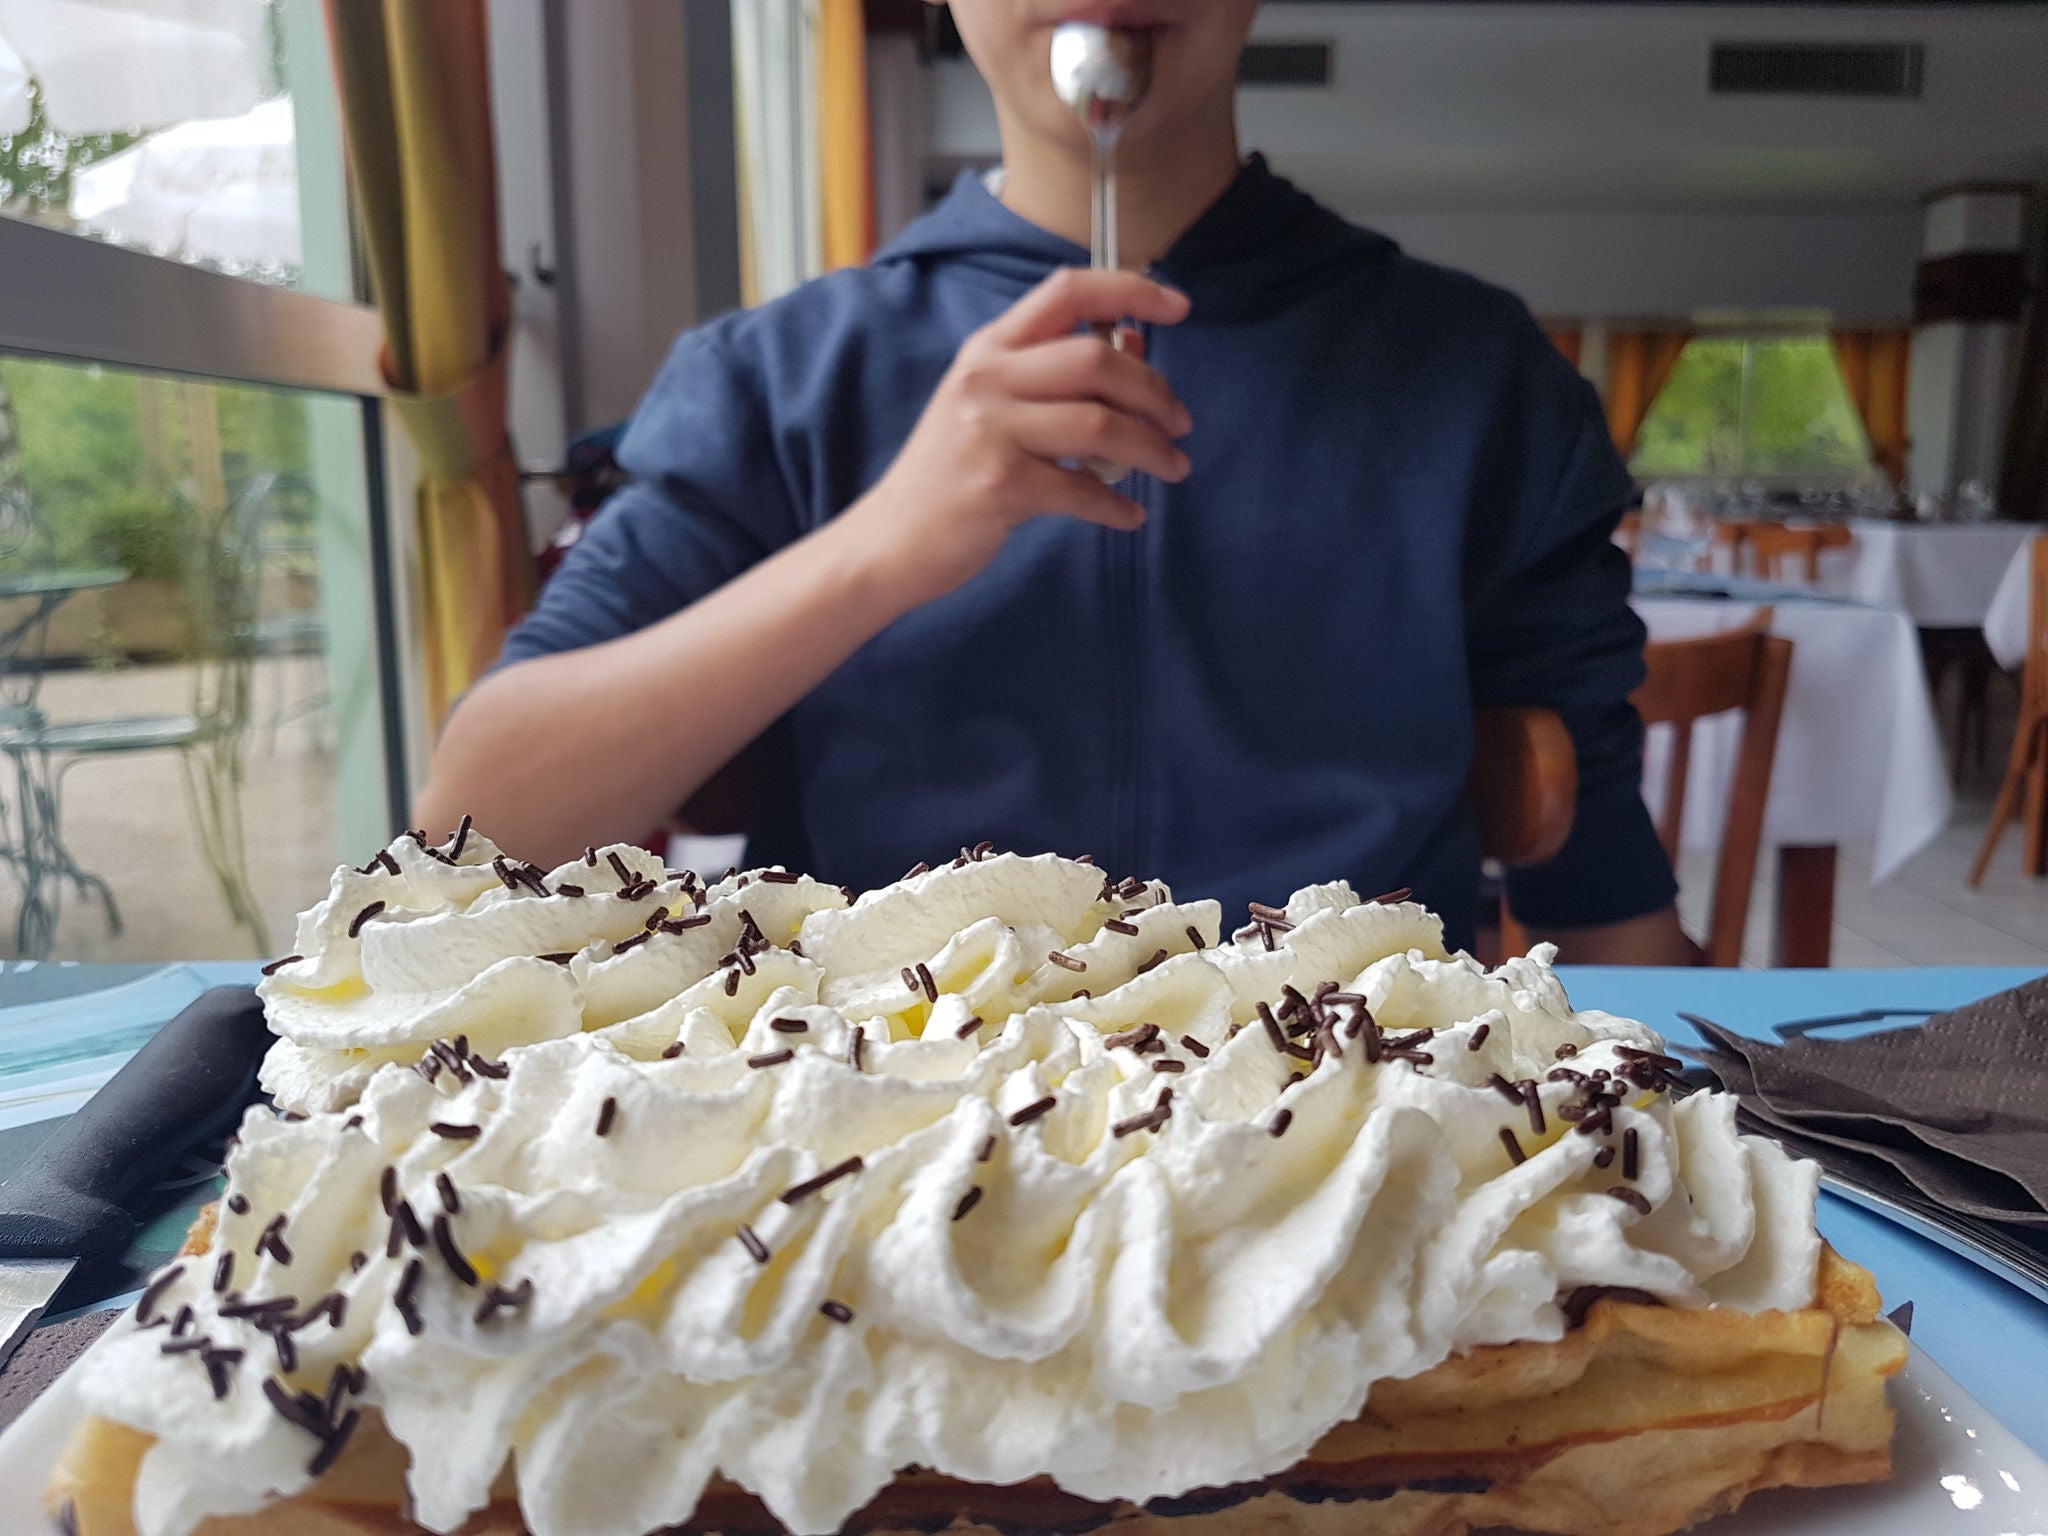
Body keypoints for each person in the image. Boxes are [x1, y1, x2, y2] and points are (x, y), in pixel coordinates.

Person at [416, 0, 1691, 963]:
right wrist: (883, 548)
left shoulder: (1478, 378)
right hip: (881, 1134)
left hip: (1351, 1112)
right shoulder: (778, 378)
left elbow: (1604, 895)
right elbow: (475, 827)